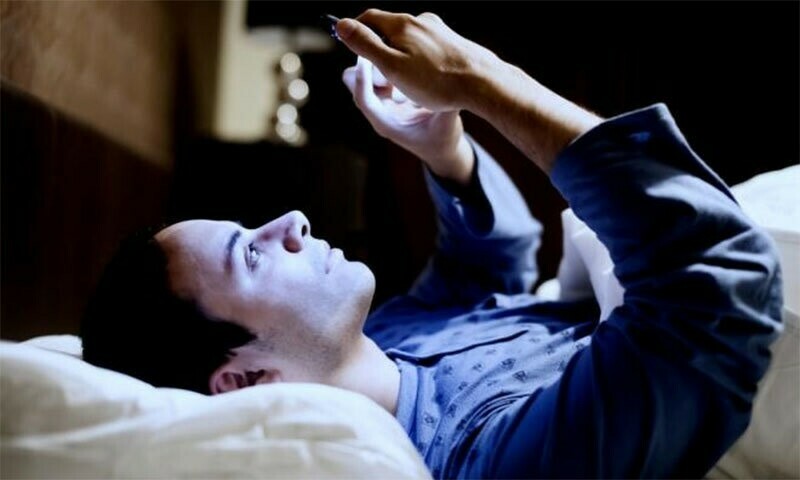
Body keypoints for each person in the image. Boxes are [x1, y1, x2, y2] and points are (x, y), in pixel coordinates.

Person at [81, 9, 783, 478]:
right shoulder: (485, 460)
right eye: (253, 254)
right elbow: (719, 287)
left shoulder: (389, 336)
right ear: (243, 380)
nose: (291, 220)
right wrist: (481, 81)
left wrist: (443, 149)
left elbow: (488, 268)